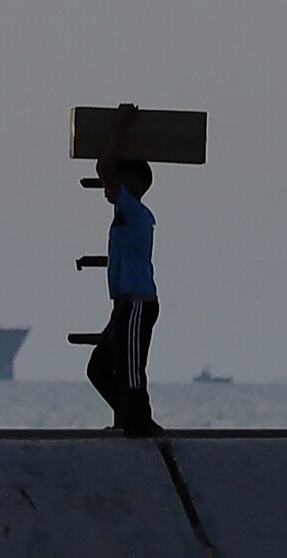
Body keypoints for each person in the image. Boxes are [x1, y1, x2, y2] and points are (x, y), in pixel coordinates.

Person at [86, 103, 164, 437]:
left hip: (137, 304)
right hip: (124, 306)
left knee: (131, 374)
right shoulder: (128, 213)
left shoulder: (134, 211)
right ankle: (131, 421)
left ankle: (139, 427)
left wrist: (120, 124)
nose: (107, 186)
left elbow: (104, 167)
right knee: (101, 369)